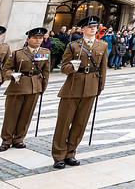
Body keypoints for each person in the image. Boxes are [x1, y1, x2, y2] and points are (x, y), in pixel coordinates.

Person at [52, 16, 108, 169]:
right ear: (83, 29)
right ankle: (58, 155)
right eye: (90, 27)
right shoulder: (73, 46)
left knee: (80, 123)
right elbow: (63, 68)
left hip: (90, 87)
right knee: (64, 123)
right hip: (72, 87)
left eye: (95, 27)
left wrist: (100, 87)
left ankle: (71, 153)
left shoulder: (102, 46)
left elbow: (103, 68)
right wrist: (73, 67)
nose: (93, 29)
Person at [1, 27, 50, 151]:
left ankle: (19, 139)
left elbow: (46, 72)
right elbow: (6, 69)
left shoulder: (46, 53)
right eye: (35, 38)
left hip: (35, 87)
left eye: (40, 38)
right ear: (28, 39)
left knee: (26, 115)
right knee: (11, 114)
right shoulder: (18, 53)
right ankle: (6, 139)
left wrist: (43, 87)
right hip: (18, 86)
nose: (38, 40)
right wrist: (12, 75)